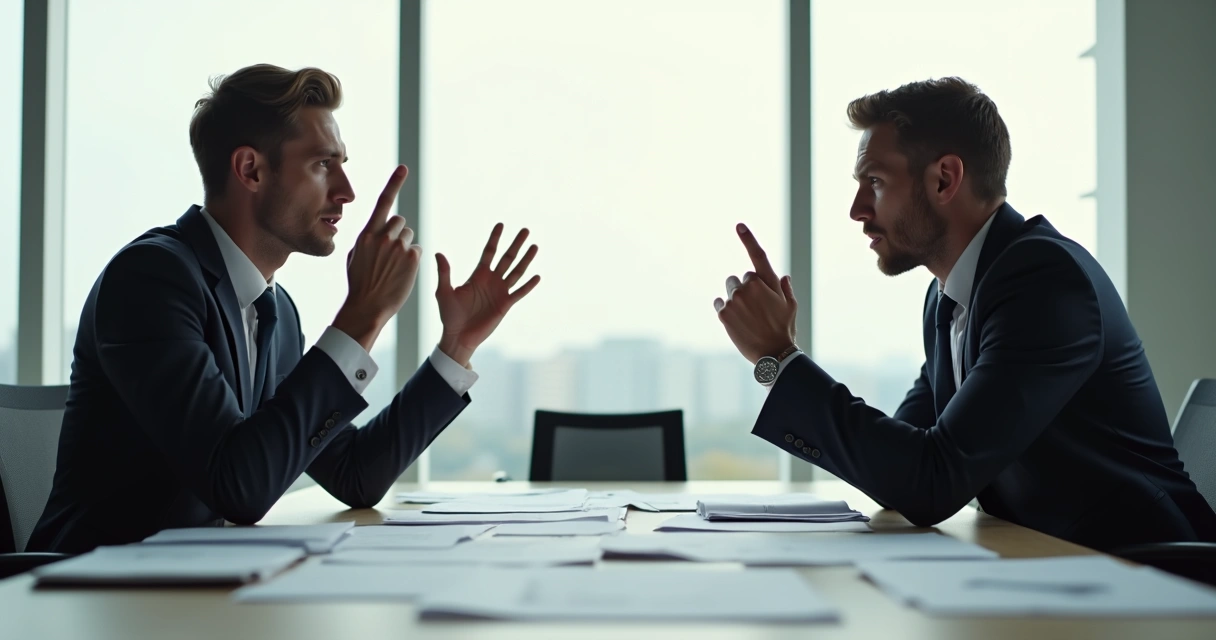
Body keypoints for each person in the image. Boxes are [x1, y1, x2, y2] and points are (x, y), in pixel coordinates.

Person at [29, 64, 540, 553]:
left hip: (198, 590)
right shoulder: (151, 280)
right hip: (90, 596)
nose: (346, 192)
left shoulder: (276, 311)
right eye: (323, 164)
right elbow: (238, 486)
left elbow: (353, 474)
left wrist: (456, 348)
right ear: (250, 169)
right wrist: (361, 316)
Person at [714, 77, 1216, 552]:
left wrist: (780, 359)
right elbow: (900, 469)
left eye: (875, 181)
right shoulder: (950, 296)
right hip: (1052, 569)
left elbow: (931, 481)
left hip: (1150, 579)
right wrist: (779, 363)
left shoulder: (1043, 281)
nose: (857, 208)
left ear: (945, 179)